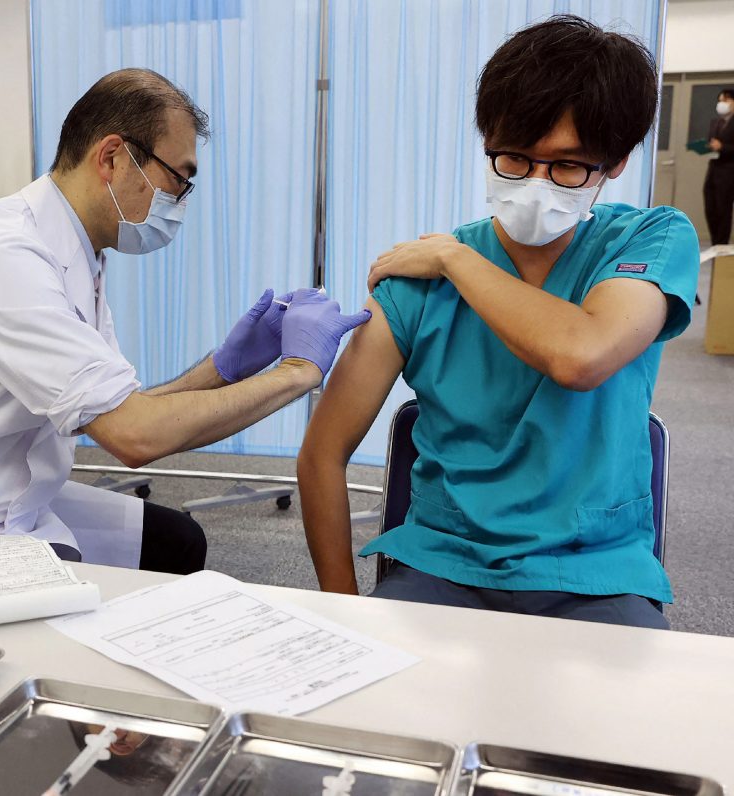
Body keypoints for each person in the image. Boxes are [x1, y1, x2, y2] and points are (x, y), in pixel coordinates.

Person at [0, 68, 369, 574]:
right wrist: (298, 371)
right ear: (111, 158)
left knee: (178, 541)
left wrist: (223, 368)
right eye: (178, 178)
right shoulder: (5, 252)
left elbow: (113, 409)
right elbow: (132, 436)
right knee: (94, 607)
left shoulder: (80, 255)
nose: (180, 200)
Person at [298, 15, 699, 629]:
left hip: (595, 572)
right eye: (514, 157)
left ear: (615, 163)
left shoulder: (652, 238)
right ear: (487, 137)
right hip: (441, 564)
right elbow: (322, 454)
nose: (536, 184)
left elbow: (581, 355)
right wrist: (342, 615)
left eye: (567, 166)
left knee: (630, 721)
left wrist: (455, 260)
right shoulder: (414, 283)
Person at [704, 88, 734, 246]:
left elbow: (725, 146)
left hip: (729, 172)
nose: (721, 104)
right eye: (720, 100)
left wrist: (723, 147)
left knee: (723, 210)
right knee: (710, 208)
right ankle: (715, 243)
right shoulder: (715, 122)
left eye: (726, 100)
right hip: (713, 170)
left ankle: (721, 245)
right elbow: (712, 143)